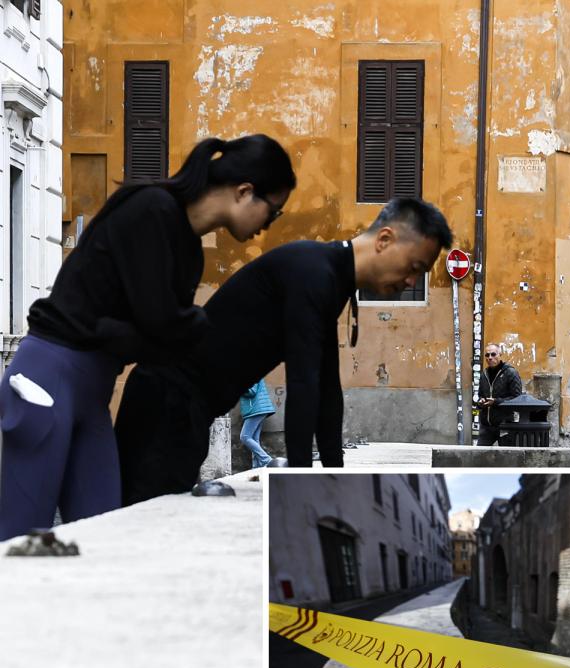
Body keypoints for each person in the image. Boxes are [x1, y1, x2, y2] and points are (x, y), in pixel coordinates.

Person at [0, 134, 295, 540]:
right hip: (49, 374)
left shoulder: (189, 251)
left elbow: (165, 332)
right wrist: (179, 324)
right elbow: (161, 324)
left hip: (93, 386)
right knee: (21, 536)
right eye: (273, 212)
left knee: (106, 534)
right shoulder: (152, 209)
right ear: (244, 192)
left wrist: (139, 328)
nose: (266, 226)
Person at [116, 197, 453, 504]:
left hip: (185, 407)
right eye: (414, 267)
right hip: (165, 402)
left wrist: (339, 476)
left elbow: (327, 390)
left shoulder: (330, 276)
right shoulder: (315, 272)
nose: (412, 282)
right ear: (385, 240)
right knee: (137, 531)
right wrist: (300, 486)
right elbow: (303, 384)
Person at [475, 343, 523, 446]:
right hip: (486, 426)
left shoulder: (510, 373)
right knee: (479, 454)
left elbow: (518, 399)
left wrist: (496, 402)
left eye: (493, 354)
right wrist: (481, 402)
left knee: (507, 456)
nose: (490, 358)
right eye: (487, 355)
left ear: (500, 355)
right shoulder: (484, 374)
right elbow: (480, 395)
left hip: (505, 425)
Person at [239, 378, 276, 468]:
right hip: (257, 409)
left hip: (256, 409)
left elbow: (251, 391)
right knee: (254, 439)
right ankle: (256, 467)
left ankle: (267, 460)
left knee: (245, 437)